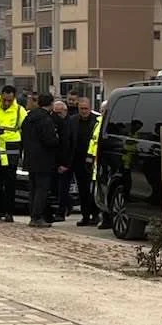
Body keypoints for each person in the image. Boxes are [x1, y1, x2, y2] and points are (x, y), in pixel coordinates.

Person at [21, 92, 59, 228]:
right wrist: (57, 139)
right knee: (42, 189)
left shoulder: (28, 117)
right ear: (51, 104)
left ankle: (33, 215)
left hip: (30, 158)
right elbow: (50, 140)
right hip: (43, 159)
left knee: (33, 189)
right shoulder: (46, 120)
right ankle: (37, 217)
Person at [0, 85, 27, 222]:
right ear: (1, 96)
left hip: (12, 148)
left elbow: (26, 128)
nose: (6, 103)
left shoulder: (19, 110)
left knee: (10, 183)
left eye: (9, 101)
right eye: (4, 100)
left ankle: (9, 212)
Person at [72, 97, 99, 226]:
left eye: (86, 109)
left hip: (93, 160)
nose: (83, 111)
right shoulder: (73, 121)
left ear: (90, 108)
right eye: (81, 109)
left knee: (93, 189)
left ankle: (95, 215)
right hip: (78, 160)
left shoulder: (97, 121)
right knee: (82, 190)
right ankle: (85, 215)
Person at [87, 100, 111, 230]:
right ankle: (101, 217)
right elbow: (93, 141)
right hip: (97, 162)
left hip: (104, 161)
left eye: (104, 110)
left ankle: (106, 218)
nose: (102, 112)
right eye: (101, 110)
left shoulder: (108, 122)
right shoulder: (99, 122)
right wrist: (89, 156)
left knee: (103, 192)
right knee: (98, 192)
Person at [51, 99, 75, 221]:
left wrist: (65, 163)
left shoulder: (69, 124)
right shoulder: (53, 123)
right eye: (55, 112)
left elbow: (70, 144)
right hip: (55, 160)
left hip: (66, 161)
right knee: (56, 187)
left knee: (63, 187)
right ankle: (68, 203)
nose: (57, 115)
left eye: (59, 113)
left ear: (65, 111)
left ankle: (61, 212)